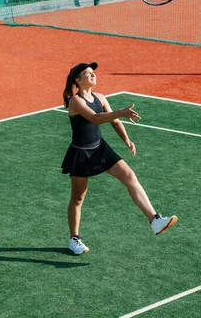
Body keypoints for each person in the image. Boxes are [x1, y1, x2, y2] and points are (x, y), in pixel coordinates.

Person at [61, 62, 177, 255]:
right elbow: (96, 118)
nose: (92, 75)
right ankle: (74, 239)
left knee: (129, 176)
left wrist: (127, 140)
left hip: (100, 148)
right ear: (78, 80)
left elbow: (113, 121)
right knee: (78, 198)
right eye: (87, 74)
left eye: (93, 73)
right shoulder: (76, 101)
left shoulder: (100, 97)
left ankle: (155, 220)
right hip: (81, 153)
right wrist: (122, 112)